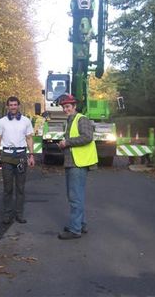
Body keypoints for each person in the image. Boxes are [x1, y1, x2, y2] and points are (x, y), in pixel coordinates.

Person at [57, 94, 98, 240]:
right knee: (75, 195)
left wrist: (67, 143)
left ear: (74, 106)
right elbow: (75, 140)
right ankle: (80, 224)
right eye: (64, 107)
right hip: (72, 162)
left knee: (75, 197)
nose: (65, 109)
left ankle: (75, 230)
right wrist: (63, 145)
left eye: (68, 106)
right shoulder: (70, 120)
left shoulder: (82, 119)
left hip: (78, 163)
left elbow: (87, 137)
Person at [0, 96, 35, 224]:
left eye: (15, 104)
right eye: (11, 105)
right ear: (7, 107)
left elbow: (29, 138)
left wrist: (31, 155)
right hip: (6, 156)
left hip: (21, 156)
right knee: (8, 188)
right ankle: (7, 214)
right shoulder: (1, 122)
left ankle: (19, 214)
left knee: (20, 187)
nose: (13, 107)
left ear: (18, 106)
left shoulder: (26, 121)